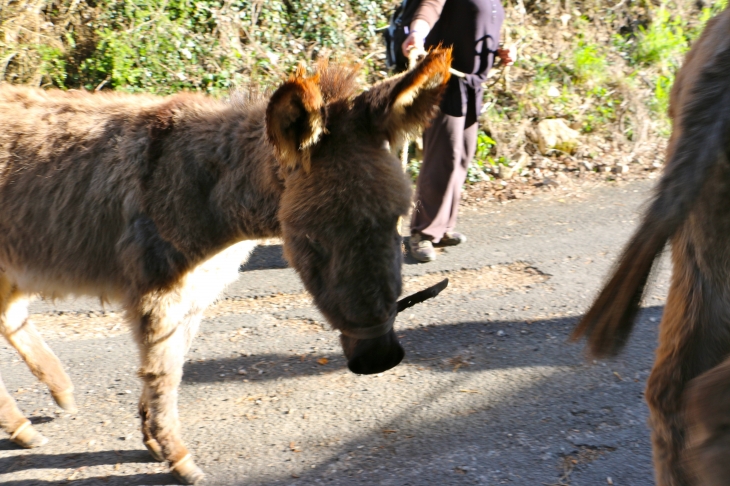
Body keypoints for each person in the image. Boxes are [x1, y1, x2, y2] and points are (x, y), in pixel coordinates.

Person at [402, 0, 511, 262]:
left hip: (472, 86)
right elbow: (429, 6)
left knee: (461, 157)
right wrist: (417, 33)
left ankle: (442, 227)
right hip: (444, 81)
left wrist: (499, 51)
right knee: (443, 157)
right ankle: (422, 233)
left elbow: (475, 28)